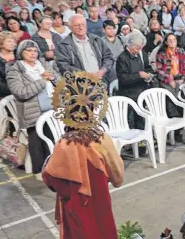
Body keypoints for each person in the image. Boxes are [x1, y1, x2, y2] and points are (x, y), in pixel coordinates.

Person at [42, 71, 124, 239]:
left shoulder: (63, 146)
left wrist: (47, 164)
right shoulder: (102, 141)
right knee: (104, 230)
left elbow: (51, 180)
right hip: (100, 204)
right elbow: (118, 177)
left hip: (74, 211)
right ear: (92, 111)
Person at [6, 40, 59, 177]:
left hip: (52, 109)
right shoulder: (15, 69)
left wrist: (52, 78)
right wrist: (42, 81)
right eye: (28, 50)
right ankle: (40, 171)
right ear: (21, 52)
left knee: (55, 139)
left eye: (35, 51)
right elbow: (20, 92)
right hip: (32, 112)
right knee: (37, 143)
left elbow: (60, 83)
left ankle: (55, 168)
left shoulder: (43, 64)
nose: (33, 53)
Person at [56, 14, 115, 85]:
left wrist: (103, 70)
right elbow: (63, 66)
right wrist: (85, 75)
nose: (81, 27)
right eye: (77, 25)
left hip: (101, 80)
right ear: (70, 27)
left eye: (83, 24)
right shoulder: (64, 45)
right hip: (80, 84)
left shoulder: (96, 40)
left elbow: (108, 57)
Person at [116, 32, 155, 129]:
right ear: (130, 45)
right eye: (137, 48)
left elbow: (147, 68)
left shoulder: (140, 54)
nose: (139, 50)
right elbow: (123, 78)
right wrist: (139, 75)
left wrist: (149, 75)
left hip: (141, 89)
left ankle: (143, 137)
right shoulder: (122, 58)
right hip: (128, 93)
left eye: (141, 48)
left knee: (141, 118)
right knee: (131, 119)